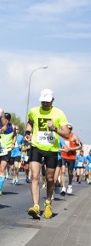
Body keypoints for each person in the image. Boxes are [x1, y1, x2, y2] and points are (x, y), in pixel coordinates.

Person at [26, 89, 70, 219]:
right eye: (43, 101)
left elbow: (66, 133)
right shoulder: (34, 111)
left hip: (51, 149)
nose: (45, 104)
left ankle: (48, 202)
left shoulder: (59, 113)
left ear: (52, 101)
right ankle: (35, 206)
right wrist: (27, 134)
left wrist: (54, 129)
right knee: (35, 176)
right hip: (36, 147)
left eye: (48, 102)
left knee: (50, 179)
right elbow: (30, 123)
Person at [0, 114, 15, 195]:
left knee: (2, 169)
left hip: (6, 150)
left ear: (9, 120)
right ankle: (0, 180)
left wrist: (13, 143)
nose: (5, 120)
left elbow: (15, 135)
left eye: (7, 119)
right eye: (4, 119)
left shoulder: (12, 127)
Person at [59, 124, 81, 195]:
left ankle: (70, 185)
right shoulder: (62, 136)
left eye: (70, 128)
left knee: (70, 172)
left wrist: (71, 148)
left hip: (71, 157)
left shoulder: (74, 136)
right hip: (63, 155)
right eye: (68, 128)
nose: (69, 130)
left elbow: (80, 146)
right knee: (62, 171)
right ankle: (63, 187)